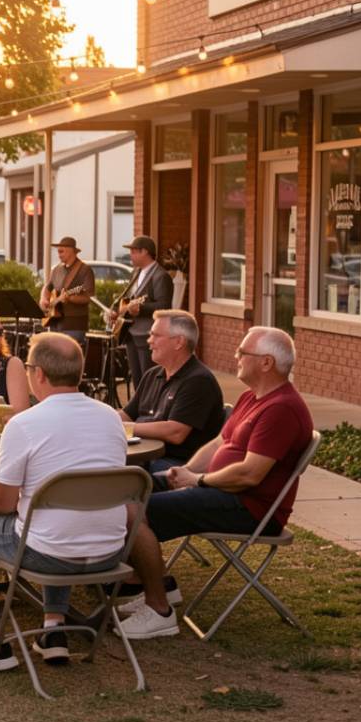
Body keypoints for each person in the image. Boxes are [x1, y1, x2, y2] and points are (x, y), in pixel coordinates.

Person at [0, 333, 130, 670]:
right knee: (51, 522)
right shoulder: (111, 418)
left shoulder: (24, 424)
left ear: (38, 374)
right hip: (109, 552)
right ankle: (53, 630)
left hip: (48, 554)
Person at [117, 327, 312, 640]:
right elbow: (221, 442)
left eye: (242, 353)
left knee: (131, 511)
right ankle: (161, 584)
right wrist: (184, 471)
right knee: (125, 487)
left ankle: (159, 609)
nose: (235, 356)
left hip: (247, 507)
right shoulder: (253, 397)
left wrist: (198, 480)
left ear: (265, 363)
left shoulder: (282, 408)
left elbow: (250, 474)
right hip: (216, 489)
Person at [118, 310, 224, 474]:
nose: (149, 341)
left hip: (176, 466)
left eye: (156, 335)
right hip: (143, 457)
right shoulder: (153, 374)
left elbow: (175, 432)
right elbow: (127, 414)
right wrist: (100, 418)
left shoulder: (199, 381)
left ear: (179, 342)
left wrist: (126, 427)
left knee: (108, 473)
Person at [109, 235, 173, 387]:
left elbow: (164, 306)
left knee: (148, 380)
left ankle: (148, 409)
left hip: (147, 336)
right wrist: (116, 310)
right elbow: (129, 297)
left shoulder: (161, 276)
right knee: (137, 381)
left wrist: (141, 309)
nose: (130, 255)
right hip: (131, 333)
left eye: (133, 251)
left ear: (144, 252)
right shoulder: (137, 272)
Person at [39, 237, 96, 346]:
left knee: (69, 358)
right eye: (58, 251)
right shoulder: (57, 269)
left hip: (74, 325)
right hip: (54, 322)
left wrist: (70, 298)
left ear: (71, 251)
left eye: (61, 251)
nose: (59, 254)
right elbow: (47, 287)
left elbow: (89, 297)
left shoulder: (85, 270)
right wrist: (43, 299)